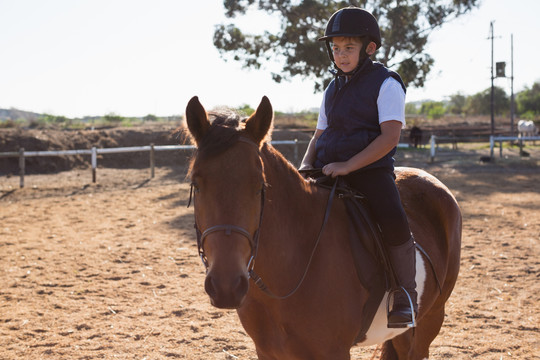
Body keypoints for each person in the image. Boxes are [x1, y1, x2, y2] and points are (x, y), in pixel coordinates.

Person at [299, 6, 417, 328]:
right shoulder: (331, 88)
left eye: (348, 48)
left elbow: (390, 137)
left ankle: (404, 294)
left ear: (370, 48)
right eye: (335, 48)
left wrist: (350, 165)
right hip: (326, 167)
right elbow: (319, 134)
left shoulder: (387, 83)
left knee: (392, 217)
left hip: (369, 171)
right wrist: (306, 166)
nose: (340, 55)